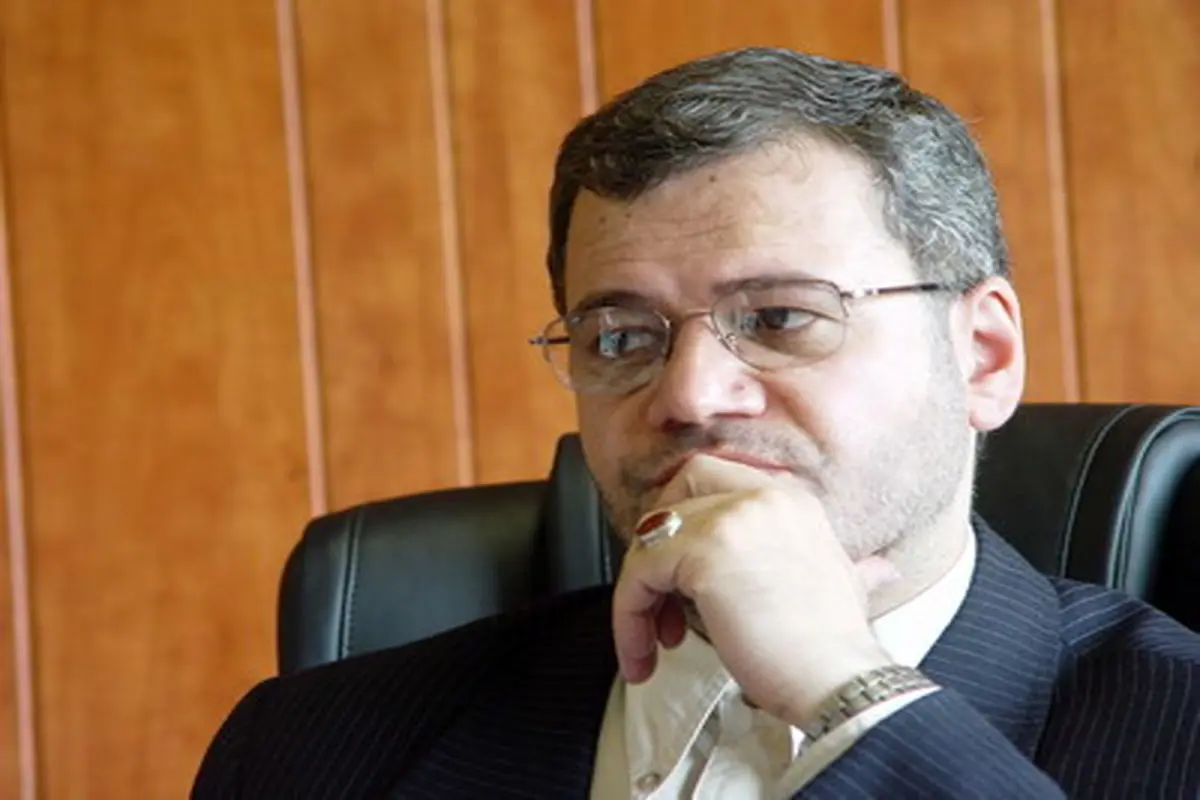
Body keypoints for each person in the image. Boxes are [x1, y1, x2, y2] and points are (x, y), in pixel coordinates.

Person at [193, 47, 1200, 799]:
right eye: (622, 337)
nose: (690, 396)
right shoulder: (309, 749)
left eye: (780, 319)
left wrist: (847, 691)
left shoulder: (1181, 727)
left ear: (982, 356)